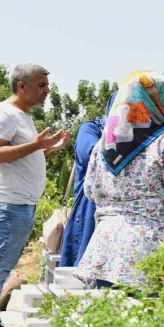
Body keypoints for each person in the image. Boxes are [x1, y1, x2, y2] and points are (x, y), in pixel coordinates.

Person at [0, 64, 69, 327]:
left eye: (47, 85)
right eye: (41, 85)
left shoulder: (22, 116)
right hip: (6, 203)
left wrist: (46, 148)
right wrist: (37, 145)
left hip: (17, 204)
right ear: (22, 86)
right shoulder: (3, 114)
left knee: (2, 265)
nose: (47, 91)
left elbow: (18, 154)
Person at [74, 71, 164, 288]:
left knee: (108, 310)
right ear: (158, 102)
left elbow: (91, 191)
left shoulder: (105, 144)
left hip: (105, 253)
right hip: (150, 255)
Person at [59, 91, 118, 267]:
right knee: (83, 267)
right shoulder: (92, 129)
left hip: (119, 214)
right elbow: (91, 155)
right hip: (89, 211)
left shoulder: (140, 136)